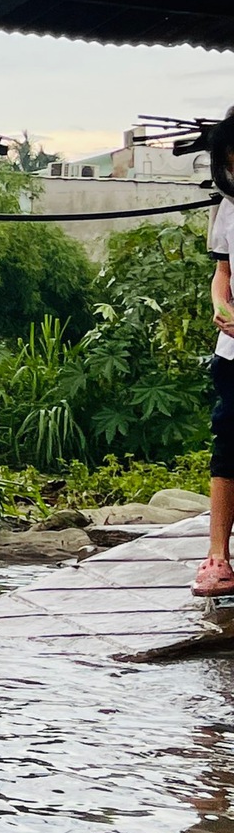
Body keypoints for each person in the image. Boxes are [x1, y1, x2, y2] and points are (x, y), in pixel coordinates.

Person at [197, 115, 234, 597]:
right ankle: (217, 558)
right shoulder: (230, 206)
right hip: (233, 351)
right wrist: (220, 306)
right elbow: (223, 272)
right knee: (227, 447)